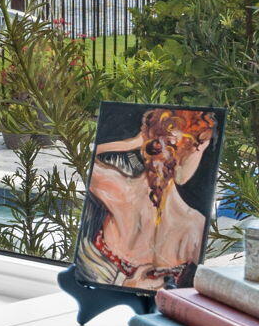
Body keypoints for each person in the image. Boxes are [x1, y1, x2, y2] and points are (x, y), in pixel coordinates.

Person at [76, 107, 216, 289]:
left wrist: (133, 142)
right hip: (160, 311)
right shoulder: (195, 227)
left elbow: (81, 159)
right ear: (191, 151)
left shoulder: (120, 190)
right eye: (201, 148)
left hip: (98, 293)